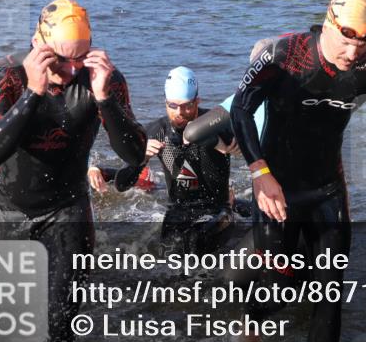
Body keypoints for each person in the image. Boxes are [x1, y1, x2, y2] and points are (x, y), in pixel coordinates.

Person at [230, 0, 366, 342]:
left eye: (360, 45)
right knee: (282, 289)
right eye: (346, 43)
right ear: (329, 27)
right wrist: (260, 173)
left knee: (329, 291)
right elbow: (242, 108)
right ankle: (251, 317)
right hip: (277, 187)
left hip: (328, 188)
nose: (352, 54)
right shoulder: (286, 55)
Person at [0, 0, 147, 342]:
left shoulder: (104, 78)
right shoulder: (4, 77)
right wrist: (32, 94)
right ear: (39, 42)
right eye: (60, 60)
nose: (70, 71)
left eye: (79, 59)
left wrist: (104, 99)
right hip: (6, 209)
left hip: (66, 208)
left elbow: (135, 154)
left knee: (60, 319)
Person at [90, 67, 260, 254]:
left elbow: (254, 142)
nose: (180, 113)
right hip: (179, 210)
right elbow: (122, 184)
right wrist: (140, 158)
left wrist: (233, 145)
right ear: (165, 102)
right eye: (173, 106)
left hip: (218, 208)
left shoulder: (216, 122)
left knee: (203, 238)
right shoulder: (156, 132)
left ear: (197, 101)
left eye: (187, 106)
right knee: (171, 249)